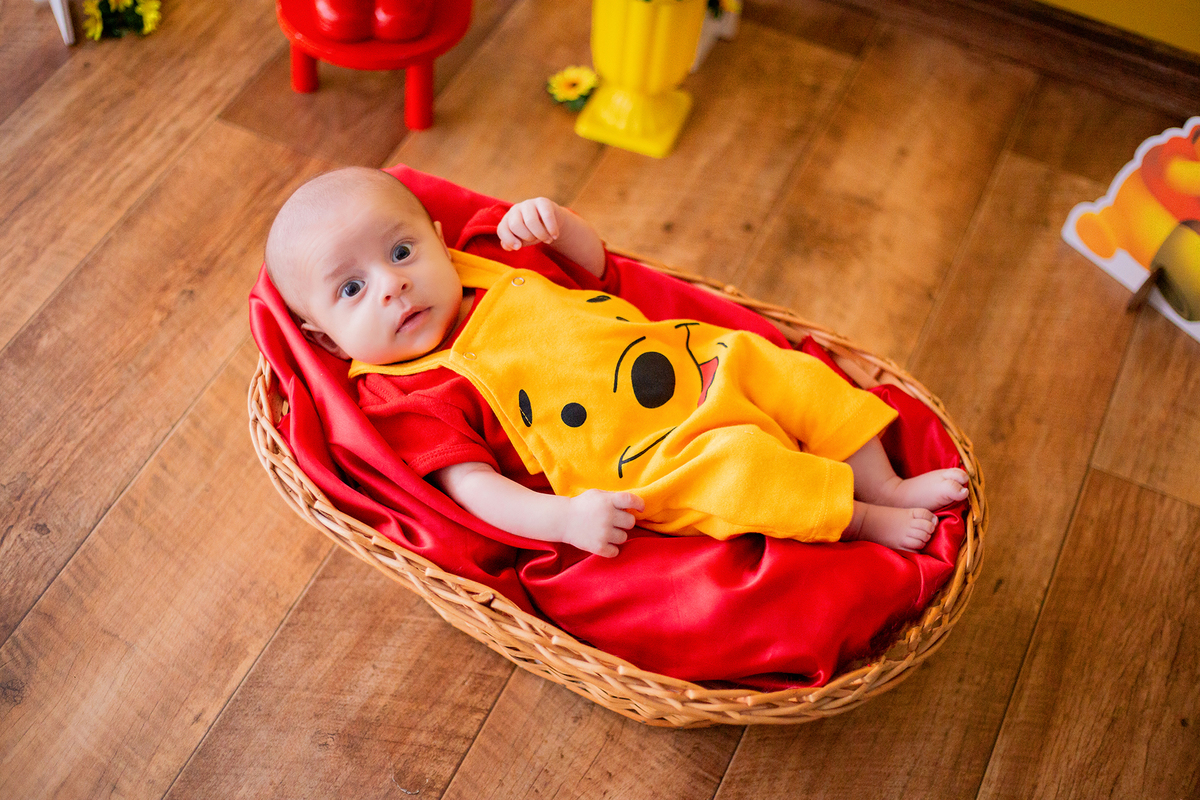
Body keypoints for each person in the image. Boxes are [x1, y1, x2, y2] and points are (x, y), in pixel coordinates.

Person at [265, 167, 968, 558]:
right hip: (650, 456)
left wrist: (558, 226)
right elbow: (474, 489)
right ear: (327, 341)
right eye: (352, 289)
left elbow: (602, 274)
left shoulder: (488, 260)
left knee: (794, 370)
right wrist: (565, 519)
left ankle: (883, 481)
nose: (391, 284)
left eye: (401, 252)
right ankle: (860, 520)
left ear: (441, 240)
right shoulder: (408, 392)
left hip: (696, 361)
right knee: (744, 471)